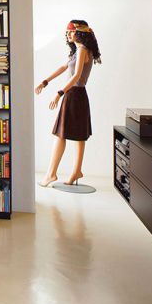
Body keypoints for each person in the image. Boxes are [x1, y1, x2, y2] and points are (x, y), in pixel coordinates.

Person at [35, 20, 102, 187]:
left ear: (80, 32)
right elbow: (63, 67)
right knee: (79, 135)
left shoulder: (82, 50)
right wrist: (45, 82)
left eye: (71, 31)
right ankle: (76, 171)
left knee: (61, 134)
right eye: (67, 32)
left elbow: (76, 76)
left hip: (73, 94)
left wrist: (59, 94)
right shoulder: (78, 51)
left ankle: (51, 174)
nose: (68, 34)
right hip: (79, 95)